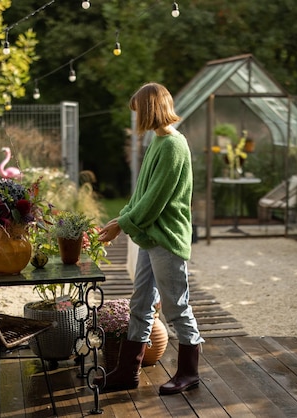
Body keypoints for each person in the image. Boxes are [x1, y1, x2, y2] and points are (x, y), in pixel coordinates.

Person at [95, 82, 204, 395]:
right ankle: (127, 372)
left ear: (149, 109)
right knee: (141, 303)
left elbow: (155, 200)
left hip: (166, 239)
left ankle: (189, 372)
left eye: (138, 111)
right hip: (149, 237)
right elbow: (141, 192)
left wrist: (123, 224)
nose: (136, 118)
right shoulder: (157, 141)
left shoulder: (173, 145)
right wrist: (121, 218)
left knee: (176, 306)